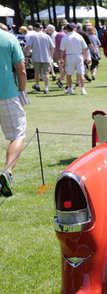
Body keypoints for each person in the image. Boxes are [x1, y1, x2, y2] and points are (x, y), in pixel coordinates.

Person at [0, 28, 28, 197]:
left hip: (7, 93)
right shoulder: (9, 38)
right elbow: (21, 69)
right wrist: (22, 92)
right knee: (17, 135)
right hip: (7, 94)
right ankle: (7, 171)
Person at [59, 23, 88, 95]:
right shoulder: (79, 36)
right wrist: (85, 57)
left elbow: (62, 50)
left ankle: (70, 88)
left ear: (67, 29)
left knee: (69, 74)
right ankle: (83, 89)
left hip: (70, 56)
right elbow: (85, 48)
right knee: (81, 73)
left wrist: (61, 59)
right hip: (79, 55)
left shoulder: (65, 37)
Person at [26, 23, 55, 94]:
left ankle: (37, 85)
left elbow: (28, 46)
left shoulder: (32, 36)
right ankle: (46, 87)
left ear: (35, 28)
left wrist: (27, 56)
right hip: (46, 57)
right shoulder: (47, 36)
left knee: (37, 72)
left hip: (36, 57)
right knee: (46, 73)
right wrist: (51, 56)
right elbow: (52, 47)